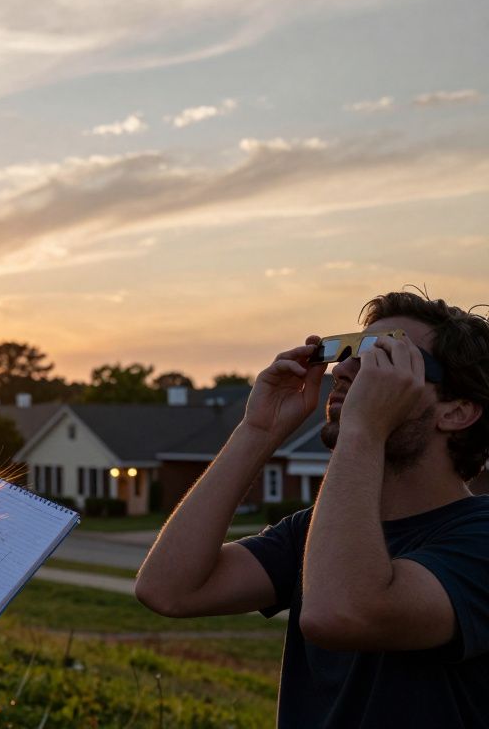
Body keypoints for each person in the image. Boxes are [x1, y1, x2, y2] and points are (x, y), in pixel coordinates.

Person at [135, 291, 489, 727]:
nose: (342, 371)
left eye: (384, 357)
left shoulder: (480, 537)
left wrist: (363, 428)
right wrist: (258, 430)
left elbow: (340, 613)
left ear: (456, 412)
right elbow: (168, 589)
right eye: (351, 352)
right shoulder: (314, 533)